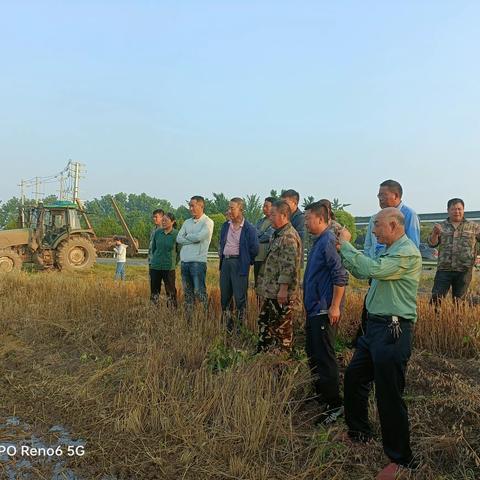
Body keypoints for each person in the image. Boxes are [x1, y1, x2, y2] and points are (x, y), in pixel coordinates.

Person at [338, 208, 422, 480]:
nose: (373, 231)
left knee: (389, 394)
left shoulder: (406, 253)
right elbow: (361, 271)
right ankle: (359, 432)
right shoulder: (389, 250)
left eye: (377, 226)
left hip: (392, 330)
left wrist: (347, 243)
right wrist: (345, 249)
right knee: (354, 378)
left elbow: (370, 269)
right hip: (374, 328)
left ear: (395, 226)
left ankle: (402, 461)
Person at [356, 180, 420, 342]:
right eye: (378, 195)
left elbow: (412, 244)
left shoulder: (408, 215)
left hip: (392, 268)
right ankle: (365, 339)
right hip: (377, 267)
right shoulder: (376, 217)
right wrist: (369, 265)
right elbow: (369, 244)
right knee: (371, 304)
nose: (379, 198)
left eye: (383, 195)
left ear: (396, 195)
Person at [303, 202, 348, 425]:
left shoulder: (329, 241)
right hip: (313, 309)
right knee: (313, 352)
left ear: (320, 219)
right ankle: (320, 396)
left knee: (325, 357)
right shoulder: (318, 241)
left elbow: (340, 276)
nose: (305, 222)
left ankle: (334, 405)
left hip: (324, 309)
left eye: (308, 218)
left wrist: (335, 306)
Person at [256, 200, 302, 354]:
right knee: (265, 322)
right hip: (271, 290)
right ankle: (264, 351)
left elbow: (288, 267)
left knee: (282, 328)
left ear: (284, 215)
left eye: (273, 215)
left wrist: (283, 290)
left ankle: (282, 358)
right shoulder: (277, 234)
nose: (270, 218)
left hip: (281, 293)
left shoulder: (288, 236)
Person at [428, 198, 480, 304]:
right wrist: (435, 233)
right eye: (453, 209)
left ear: (463, 210)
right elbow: (432, 243)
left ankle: (457, 320)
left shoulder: (474, 227)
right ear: (448, 210)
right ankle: (435, 320)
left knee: (459, 302)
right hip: (444, 269)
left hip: (464, 270)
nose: (457, 212)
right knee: (436, 298)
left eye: (459, 209)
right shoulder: (440, 226)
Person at [218, 198, 259, 331]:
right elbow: (221, 243)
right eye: (228, 208)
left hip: (239, 264)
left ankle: (240, 328)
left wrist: (246, 261)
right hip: (226, 263)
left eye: (232, 208)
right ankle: (227, 326)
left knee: (240, 298)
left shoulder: (249, 228)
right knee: (225, 296)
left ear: (241, 210)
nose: (229, 211)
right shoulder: (225, 226)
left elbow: (255, 249)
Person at [176, 196, 214, 312]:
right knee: (188, 293)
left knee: (199, 291)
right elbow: (178, 238)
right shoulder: (187, 222)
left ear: (201, 206)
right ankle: (190, 320)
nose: (190, 208)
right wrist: (192, 238)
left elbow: (199, 237)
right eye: (190, 206)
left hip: (198, 262)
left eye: (193, 206)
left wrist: (187, 237)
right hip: (185, 262)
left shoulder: (207, 222)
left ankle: (204, 318)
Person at [150, 212, 180, 308]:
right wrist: (155, 259)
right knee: (154, 291)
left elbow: (179, 251)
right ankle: (154, 310)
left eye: (166, 221)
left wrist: (174, 263)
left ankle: (171, 312)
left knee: (170, 291)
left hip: (169, 267)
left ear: (172, 222)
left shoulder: (176, 234)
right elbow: (154, 248)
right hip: (155, 266)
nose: (163, 222)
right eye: (162, 220)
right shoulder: (157, 233)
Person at [254, 196, 275, 286]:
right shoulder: (260, 221)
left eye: (267, 206)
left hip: (267, 258)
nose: (264, 208)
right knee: (257, 284)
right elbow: (254, 234)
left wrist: (259, 236)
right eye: (263, 206)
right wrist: (260, 235)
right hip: (257, 257)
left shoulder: (274, 221)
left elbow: (267, 236)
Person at [148, 208, 164, 281]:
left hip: (161, 262)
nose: (154, 219)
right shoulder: (153, 230)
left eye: (156, 217)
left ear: (162, 217)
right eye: (153, 217)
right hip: (151, 260)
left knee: (163, 282)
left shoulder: (165, 230)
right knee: (153, 282)